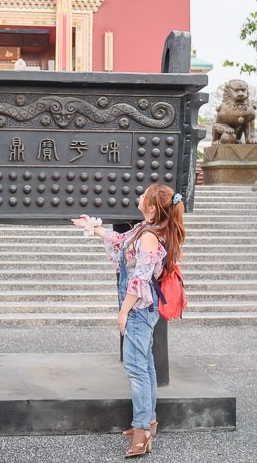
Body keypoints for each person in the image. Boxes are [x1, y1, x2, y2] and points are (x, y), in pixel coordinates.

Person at [72, 183, 186, 458]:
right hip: (142, 308)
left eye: (144, 195)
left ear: (151, 206)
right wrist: (93, 227)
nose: (139, 196)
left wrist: (123, 312)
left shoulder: (148, 236)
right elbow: (120, 241)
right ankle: (149, 420)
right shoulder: (146, 228)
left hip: (137, 309)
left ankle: (141, 432)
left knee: (136, 370)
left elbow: (140, 279)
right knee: (145, 366)